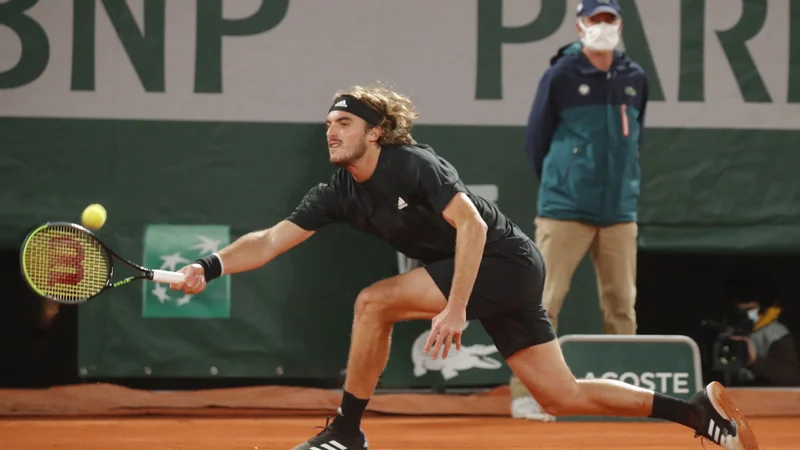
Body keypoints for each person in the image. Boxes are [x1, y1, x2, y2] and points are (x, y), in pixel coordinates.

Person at [170, 83, 758, 450]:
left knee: (372, 302)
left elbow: (472, 226)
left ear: (375, 131)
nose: (331, 130)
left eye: (343, 122)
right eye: (328, 123)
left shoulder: (414, 164)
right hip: (494, 278)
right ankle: (696, 415)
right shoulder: (336, 193)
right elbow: (270, 241)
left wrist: (454, 309)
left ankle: (346, 431)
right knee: (560, 396)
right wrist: (210, 265)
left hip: (504, 260)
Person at [510, 0, 648, 420]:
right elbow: (537, 139)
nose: (603, 26)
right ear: (580, 25)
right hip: (565, 209)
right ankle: (525, 395)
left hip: (619, 211)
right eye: (595, 19)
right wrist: (564, 181)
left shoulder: (635, 77)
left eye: (610, 19)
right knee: (543, 302)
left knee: (622, 305)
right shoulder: (560, 75)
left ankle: (623, 397)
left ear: (620, 24)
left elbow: (635, 138)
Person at [723, 268, 800, 387]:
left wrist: (755, 361)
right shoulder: (725, 331)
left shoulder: (776, 334)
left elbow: (792, 377)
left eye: (750, 310)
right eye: (740, 311)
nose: (746, 316)